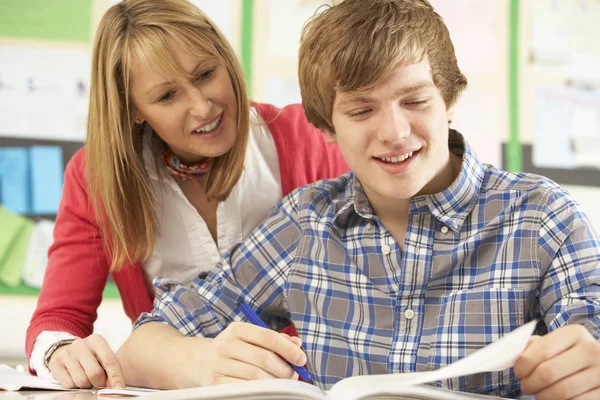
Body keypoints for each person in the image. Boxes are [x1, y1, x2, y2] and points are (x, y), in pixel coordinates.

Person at [117, 0, 600, 397]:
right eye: (361, 109)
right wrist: (203, 360)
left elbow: (591, 337)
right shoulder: (306, 223)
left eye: (414, 101)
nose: (393, 132)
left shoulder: (542, 218)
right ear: (327, 127)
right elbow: (141, 347)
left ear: (449, 99)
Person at [25, 0, 349, 390]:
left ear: (225, 58)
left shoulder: (309, 139)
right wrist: (60, 352)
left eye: (206, 74)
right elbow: (58, 320)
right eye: (167, 96)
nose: (202, 106)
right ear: (133, 110)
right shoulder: (98, 178)